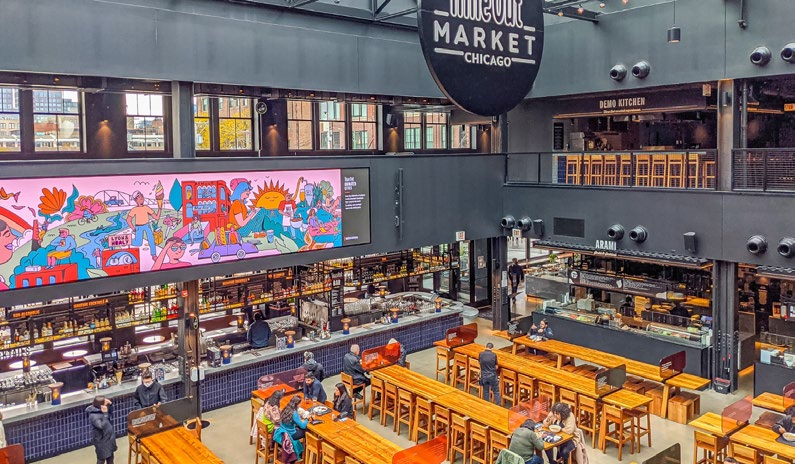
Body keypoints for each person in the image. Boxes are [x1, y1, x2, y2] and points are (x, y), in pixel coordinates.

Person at [127, 190, 162, 259]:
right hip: (138, 227)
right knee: (138, 243)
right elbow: (128, 220)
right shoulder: (134, 209)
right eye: (139, 197)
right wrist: (133, 228)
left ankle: (154, 255)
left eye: (142, 196)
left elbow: (156, 217)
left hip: (147, 226)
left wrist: (160, 209)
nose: (141, 198)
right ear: (136, 200)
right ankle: (128, 240)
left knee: (151, 240)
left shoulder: (146, 208)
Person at [86, 396, 116, 464]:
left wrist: (110, 404)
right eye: (105, 403)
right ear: (100, 405)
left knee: (110, 458)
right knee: (101, 460)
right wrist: (105, 414)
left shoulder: (102, 410)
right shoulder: (93, 415)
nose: (106, 404)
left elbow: (110, 413)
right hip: (101, 441)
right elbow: (101, 426)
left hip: (108, 439)